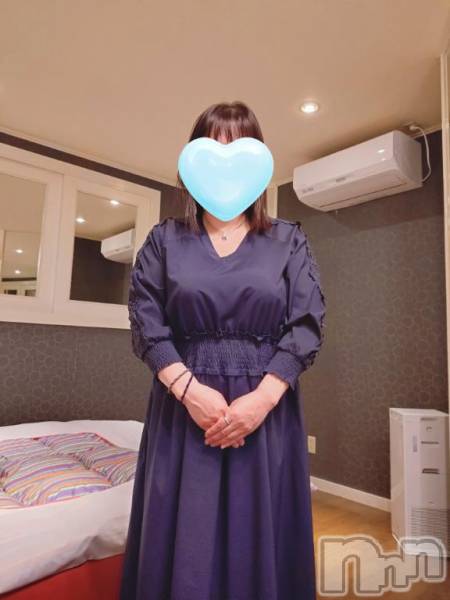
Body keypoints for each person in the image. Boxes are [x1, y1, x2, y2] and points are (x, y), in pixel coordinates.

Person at [119, 100, 326, 600]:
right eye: (215, 148)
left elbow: (306, 324)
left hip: (267, 408)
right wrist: (190, 391)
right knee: (185, 539)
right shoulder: (164, 240)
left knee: (261, 534)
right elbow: (146, 322)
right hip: (182, 406)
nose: (227, 162)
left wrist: (261, 401)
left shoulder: (289, 240)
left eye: (240, 148)